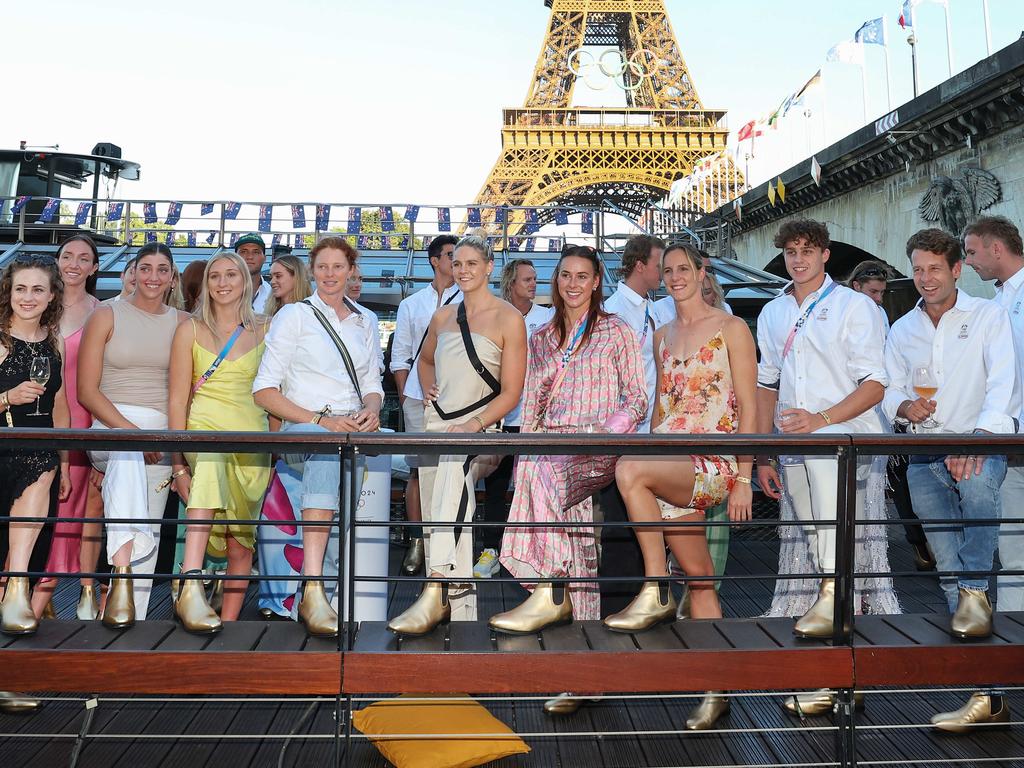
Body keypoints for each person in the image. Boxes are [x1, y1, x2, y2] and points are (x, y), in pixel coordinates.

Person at [606, 243, 757, 729]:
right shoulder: (662, 334)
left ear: (701, 271)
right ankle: (717, 689)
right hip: (669, 462)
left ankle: (655, 585)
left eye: (682, 269)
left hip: (713, 462)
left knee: (628, 470)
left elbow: (750, 410)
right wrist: (654, 451)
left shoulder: (732, 328)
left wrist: (745, 479)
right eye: (667, 270)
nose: (674, 277)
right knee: (702, 577)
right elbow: (659, 411)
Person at [755, 220, 898, 716]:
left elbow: (876, 383)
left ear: (825, 255)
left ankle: (838, 679)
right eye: (791, 252)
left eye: (807, 251)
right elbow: (766, 385)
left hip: (843, 445)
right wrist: (763, 451)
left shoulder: (856, 307)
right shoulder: (773, 313)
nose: (798, 260)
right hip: (795, 448)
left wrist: (821, 419)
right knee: (824, 559)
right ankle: (837, 680)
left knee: (835, 557)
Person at [891, 227, 1018, 733]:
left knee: (977, 559)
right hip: (924, 455)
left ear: (956, 270)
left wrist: (978, 440)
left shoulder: (988, 317)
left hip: (980, 446)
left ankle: (974, 594)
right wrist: (903, 405)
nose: (925, 278)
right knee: (945, 569)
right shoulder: (901, 329)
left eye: (935, 268)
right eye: (918, 269)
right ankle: (985, 694)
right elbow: (888, 387)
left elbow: (1005, 384)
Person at [490, 246, 647, 632]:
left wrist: (607, 433)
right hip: (551, 450)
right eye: (565, 275)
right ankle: (580, 653)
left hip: (600, 445)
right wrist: (526, 459)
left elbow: (637, 397)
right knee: (578, 545)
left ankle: (548, 587)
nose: (572, 284)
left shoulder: (616, 330)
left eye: (581, 276)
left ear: (596, 283)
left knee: (546, 480)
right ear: (556, 281)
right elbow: (534, 409)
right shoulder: (541, 337)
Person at [387, 235, 526, 634]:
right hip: (438, 425)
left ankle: (436, 589)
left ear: (488, 267)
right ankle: (457, 607)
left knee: (450, 489)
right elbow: (425, 359)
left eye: (470, 263)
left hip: (479, 428)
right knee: (438, 510)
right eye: (457, 263)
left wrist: (476, 425)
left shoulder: (508, 319)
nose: (463, 270)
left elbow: (512, 390)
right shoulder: (442, 318)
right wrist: (428, 388)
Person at [253, 236, 383, 637]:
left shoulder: (366, 320)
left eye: (338, 267)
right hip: (305, 429)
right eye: (322, 267)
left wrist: (372, 410)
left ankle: (324, 592)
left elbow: (372, 383)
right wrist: (322, 420)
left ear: (351, 271)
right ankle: (313, 588)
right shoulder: (293, 316)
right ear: (311, 270)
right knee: (328, 451)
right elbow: (264, 391)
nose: (329, 275)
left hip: (351, 430)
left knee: (415, 459)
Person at [78, 243, 188, 628]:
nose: (153, 277)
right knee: (126, 457)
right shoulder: (106, 314)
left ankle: (130, 619)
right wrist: (132, 434)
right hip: (111, 428)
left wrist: (170, 451)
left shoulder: (184, 322)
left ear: (172, 277)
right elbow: (86, 391)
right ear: (133, 272)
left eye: (162, 269)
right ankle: (120, 576)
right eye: (146, 268)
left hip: (161, 434)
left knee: (152, 522)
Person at [168, 253, 271, 633]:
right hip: (203, 429)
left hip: (252, 437)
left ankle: (227, 626)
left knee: (241, 539)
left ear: (245, 281)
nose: (223, 282)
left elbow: (275, 392)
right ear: (206, 283)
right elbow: (177, 399)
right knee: (210, 463)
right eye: (215, 276)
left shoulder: (267, 328)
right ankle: (191, 585)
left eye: (232, 275)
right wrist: (178, 464)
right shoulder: (188, 330)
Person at [32, 236, 103, 620]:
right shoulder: (34, 303)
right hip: (29, 421)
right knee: (23, 512)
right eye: (67, 256)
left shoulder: (103, 312)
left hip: (78, 426)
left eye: (83, 258)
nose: (73, 264)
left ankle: (31, 611)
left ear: (94, 267)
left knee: (63, 519)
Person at [0, 254, 71, 632]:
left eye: (37, 290)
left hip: (39, 447)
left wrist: (65, 462)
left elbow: (59, 406)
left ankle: (16, 590)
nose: (27, 297)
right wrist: (8, 397)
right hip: (3, 440)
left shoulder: (51, 342)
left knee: (41, 468)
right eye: (20, 288)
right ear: (9, 293)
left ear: (51, 296)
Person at [475, 259, 553, 580]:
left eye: (535, 279)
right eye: (527, 280)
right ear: (511, 283)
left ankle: (534, 555)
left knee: (535, 489)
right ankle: (491, 550)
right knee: (495, 489)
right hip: (500, 418)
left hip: (536, 421)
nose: (533, 284)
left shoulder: (547, 318)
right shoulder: (494, 317)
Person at [389, 235, 461, 577]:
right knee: (420, 472)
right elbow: (400, 354)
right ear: (435, 260)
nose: (457, 262)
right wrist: (406, 397)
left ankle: (447, 543)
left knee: (453, 472)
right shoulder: (412, 304)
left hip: (461, 400)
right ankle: (419, 541)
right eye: (451, 256)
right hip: (418, 399)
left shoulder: (472, 301)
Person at [964, 216, 1024, 613]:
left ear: (996, 248)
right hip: (1009, 442)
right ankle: (1013, 640)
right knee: (1012, 545)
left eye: (971, 252)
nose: (968, 262)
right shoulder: (995, 305)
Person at [605, 234, 665, 432]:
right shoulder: (614, 311)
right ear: (640, 266)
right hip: (629, 426)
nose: (663, 272)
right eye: (659, 266)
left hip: (654, 420)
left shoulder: (651, 306)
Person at [655, 255, 733, 319]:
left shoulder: (725, 309)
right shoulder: (658, 309)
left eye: (708, 269)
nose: (703, 273)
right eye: (697, 269)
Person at [346, 263, 384, 376]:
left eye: (360, 279)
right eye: (352, 279)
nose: (358, 284)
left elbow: (377, 357)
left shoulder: (369, 316)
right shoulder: (319, 311)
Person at [236, 233, 272, 314]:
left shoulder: (273, 293)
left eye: (256, 252)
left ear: (264, 258)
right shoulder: (223, 291)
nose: (249, 257)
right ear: (235, 257)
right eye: (244, 251)